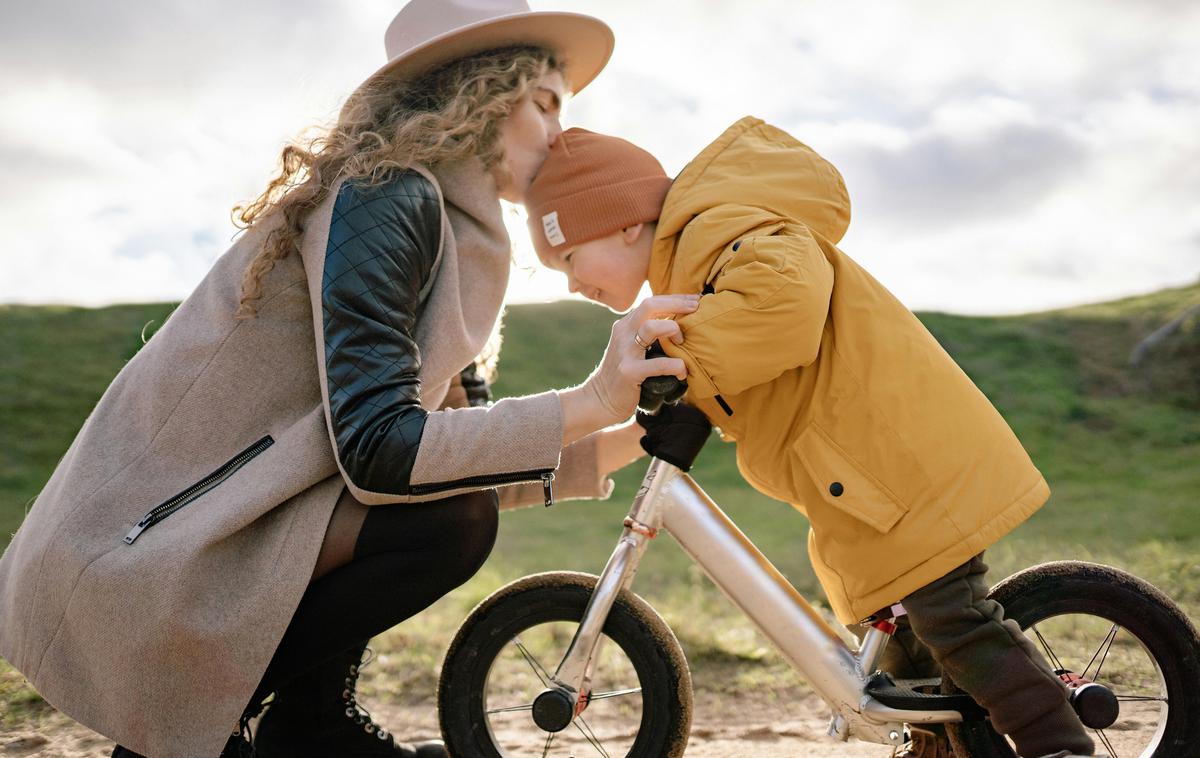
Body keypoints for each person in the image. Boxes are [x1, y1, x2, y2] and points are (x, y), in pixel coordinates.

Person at [0, 2, 701, 757]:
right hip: (148, 555)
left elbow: (457, 461)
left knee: (452, 509)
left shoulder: (454, 235)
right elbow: (382, 452)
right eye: (546, 102)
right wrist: (588, 398)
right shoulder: (385, 198)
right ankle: (216, 727)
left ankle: (309, 727)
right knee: (448, 525)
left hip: (229, 535)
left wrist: (633, 433)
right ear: (481, 93)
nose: (564, 130)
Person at [519, 120, 1097, 758]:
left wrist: (680, 356)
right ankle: (940, 747)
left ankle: (1055, 742)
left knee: (951, 621)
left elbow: (782, 310)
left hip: (904, 464)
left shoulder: (727, 232)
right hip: (864, 490)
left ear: (627, 221)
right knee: (904, 646)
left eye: (569, 257)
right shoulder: (694, 278)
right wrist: (677, 398)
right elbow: (745, 353)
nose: (571, 282)